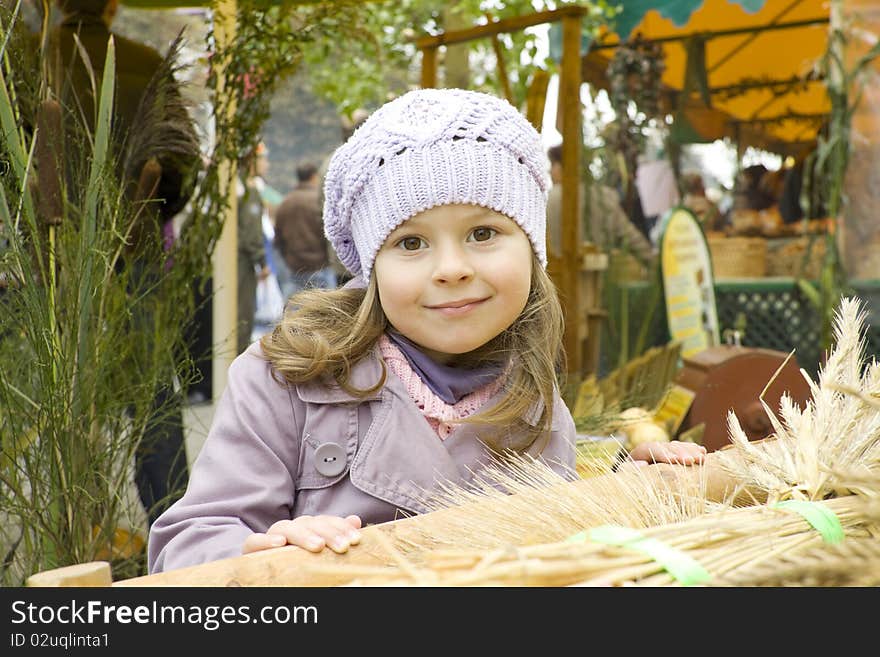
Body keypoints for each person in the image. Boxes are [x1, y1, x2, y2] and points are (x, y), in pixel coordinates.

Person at [147, 88, 705, 573]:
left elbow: (547, 547)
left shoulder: (538, 402)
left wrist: (620, 491)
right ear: (370, 267)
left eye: (484, 232)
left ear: (533, 252)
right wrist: (257, 549)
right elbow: (185, 545)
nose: (451, 268)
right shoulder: (286, 379)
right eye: (411, 243)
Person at [43, 0, 200, 525]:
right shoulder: (143, 60)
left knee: (46, 383)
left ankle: (64, 530)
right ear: (112, 6)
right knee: (152, 387)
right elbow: (181, 157)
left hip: (40, 258)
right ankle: (175, 528)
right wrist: (147, 215)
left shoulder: (22, 56)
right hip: (135, 250)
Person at [546, 144, 655, 267]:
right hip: (599, 279)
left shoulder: (547, 200)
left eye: (553, 164)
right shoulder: (605, 197)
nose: (549, 171)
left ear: (564, 166)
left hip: (554, 279)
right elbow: (634, 240)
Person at [273, 160, 336, 300]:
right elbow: (330, 234)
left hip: (295, 269)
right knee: (327, 315)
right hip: (321, 267)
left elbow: (278, 239)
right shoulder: (319, 201)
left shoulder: (285, 203)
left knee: (297, 315)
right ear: (314, 177)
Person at [236, 145, 270, 356]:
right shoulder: (247, 190)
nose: (267, 164)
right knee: (242, 314)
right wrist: (262, 261)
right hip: (242, 262)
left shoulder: (238, 186)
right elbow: (251, 232)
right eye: (263, 159)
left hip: (237, 259)